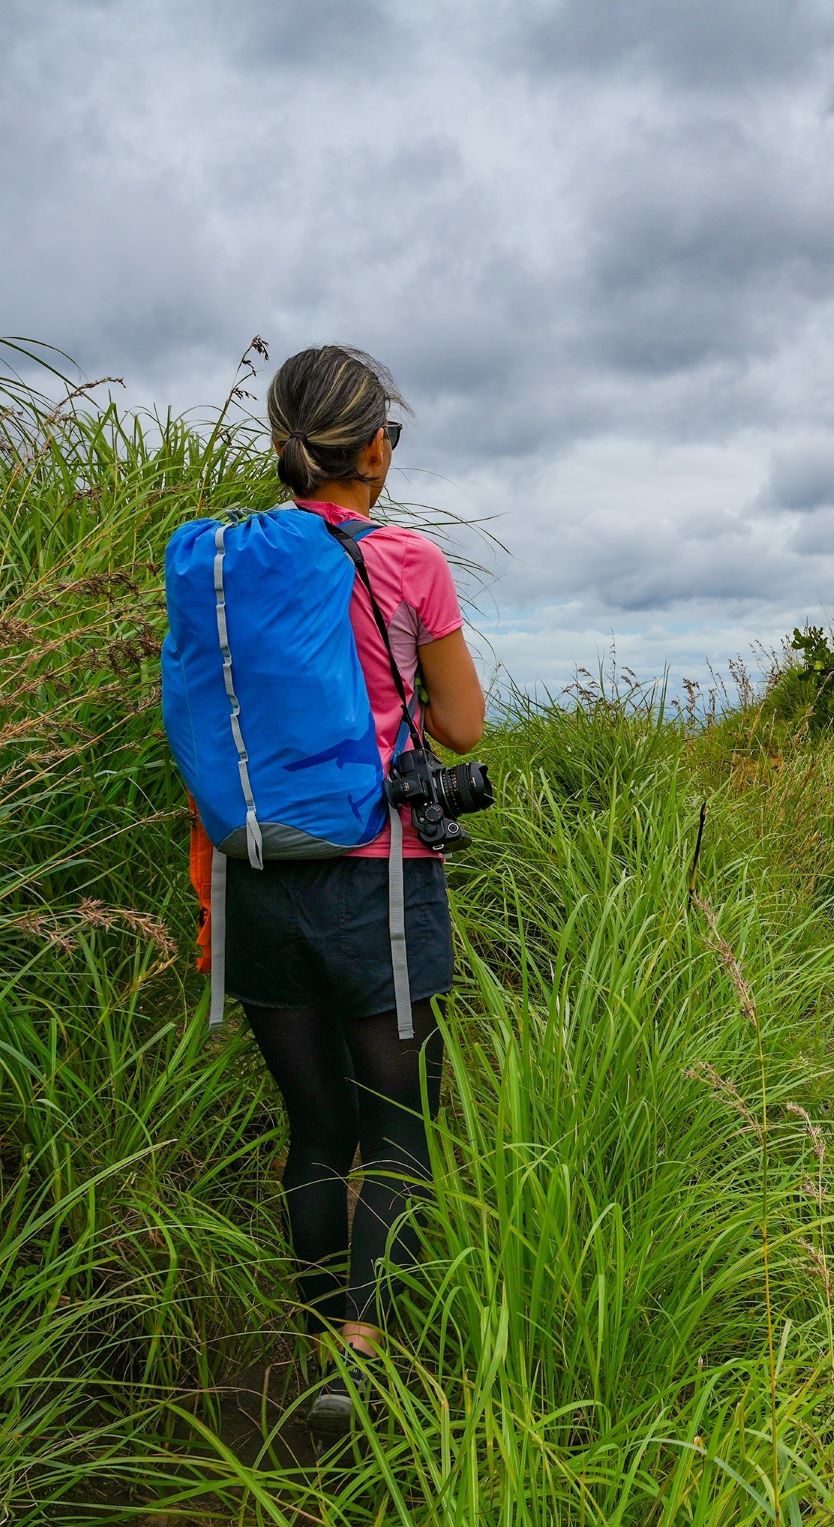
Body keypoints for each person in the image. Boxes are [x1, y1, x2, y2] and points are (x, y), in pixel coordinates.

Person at [222, 344, 484, 1435]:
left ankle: (317, 1333)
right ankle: (365, 1355)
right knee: (399, 1132)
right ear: (374, 447)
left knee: (314, 1130)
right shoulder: (407, 561)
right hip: (380, 883)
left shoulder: (232, 561)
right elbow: (463, 726)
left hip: (260, 878)